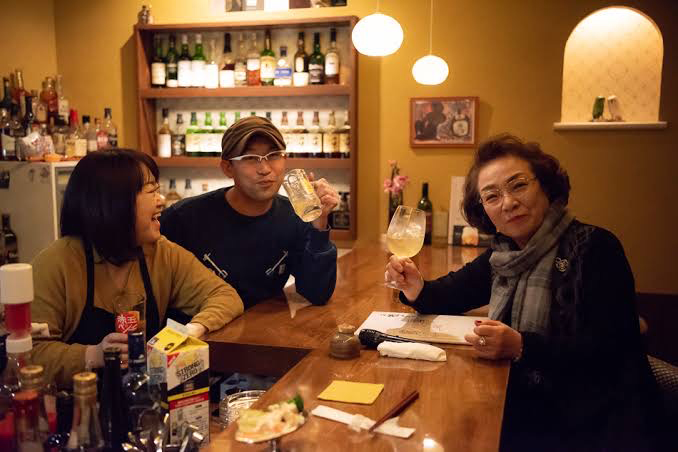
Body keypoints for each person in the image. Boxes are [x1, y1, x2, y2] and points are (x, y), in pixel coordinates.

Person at [385, 134, 664, 451]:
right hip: (521, 404)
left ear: (545, 186)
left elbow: (612, 352)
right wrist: (414, 286)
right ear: (483, 210)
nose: (508, 203)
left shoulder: (595, 247)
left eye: (518, 186)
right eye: (492, 196)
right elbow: (446, 295)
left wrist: (521, 346)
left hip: (593, 423)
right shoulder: (503, 254)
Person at [31, 149, 244, 388]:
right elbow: (29, 354)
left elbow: (225, 296)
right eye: (152, 191)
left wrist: (191, 331)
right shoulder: (57, 263)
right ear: (116, 203)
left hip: (146, 399)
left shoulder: (162, 253)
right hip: (79, 403)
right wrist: (93, 355)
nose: (161, 200)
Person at [160, 116, 339, 309]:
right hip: (197, 326)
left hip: (261, 325)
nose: (265, 169)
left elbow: (317, 294)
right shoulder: (184, 217)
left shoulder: (294, 216)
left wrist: (319, 224)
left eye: (273, 155)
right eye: (250, 158)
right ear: (228, 168)